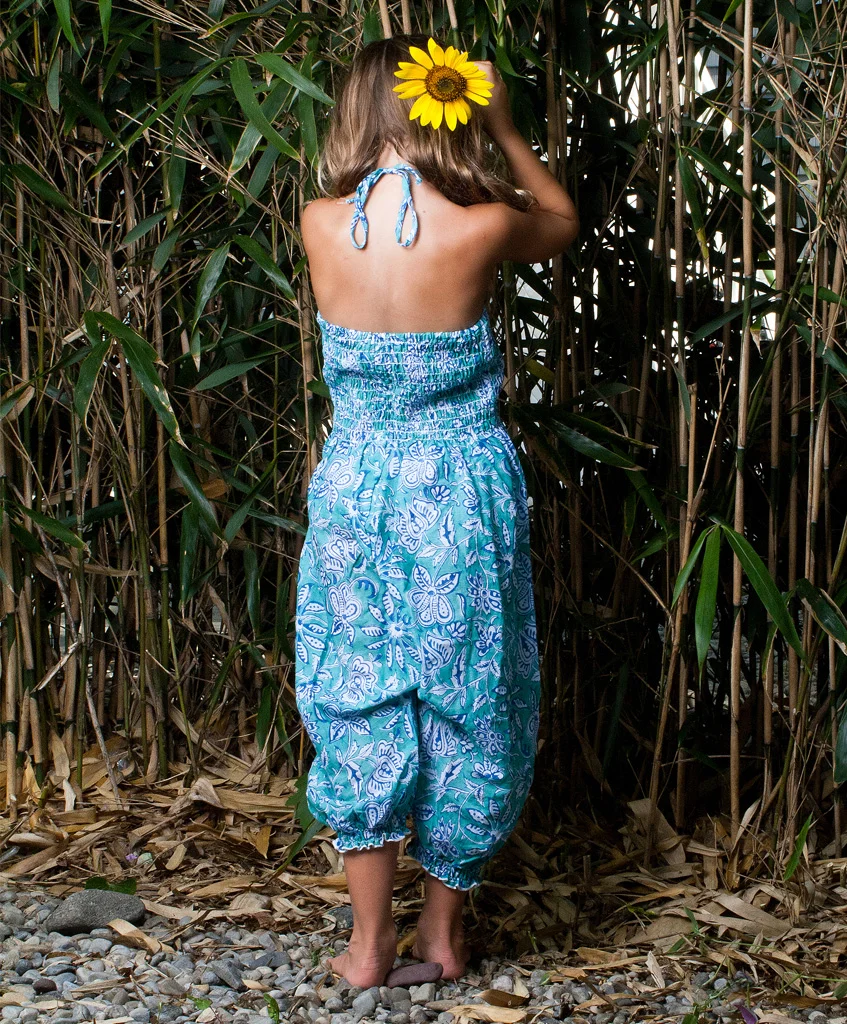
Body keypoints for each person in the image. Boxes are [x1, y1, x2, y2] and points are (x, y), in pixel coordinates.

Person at [295, 33, 579, 989]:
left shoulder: (317, 222)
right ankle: (442, 936)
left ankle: (366, 945)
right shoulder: (484, 225)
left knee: (358, 692)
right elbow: (561, 219)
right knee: (469, 695)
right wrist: (502, 126)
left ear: (356, 112)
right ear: (443, 108)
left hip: (354, 485)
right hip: (457, 487)